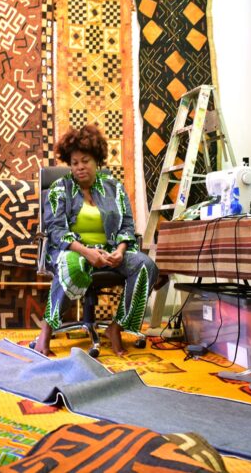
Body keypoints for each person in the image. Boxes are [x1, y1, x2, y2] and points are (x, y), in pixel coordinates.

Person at [35, 124, 159, 356]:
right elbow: (56, 230)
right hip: (71, 250)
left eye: (85, 161)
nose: (80, 167)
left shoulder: (115, 188)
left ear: (97, 161)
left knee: (146, 265)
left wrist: (121, 251)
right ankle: (46, 332)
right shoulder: (59, 189)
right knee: (74, 266)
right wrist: (86, 252)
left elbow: (127, 226)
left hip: (109, 251)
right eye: (74, 163)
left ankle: (116, 327)